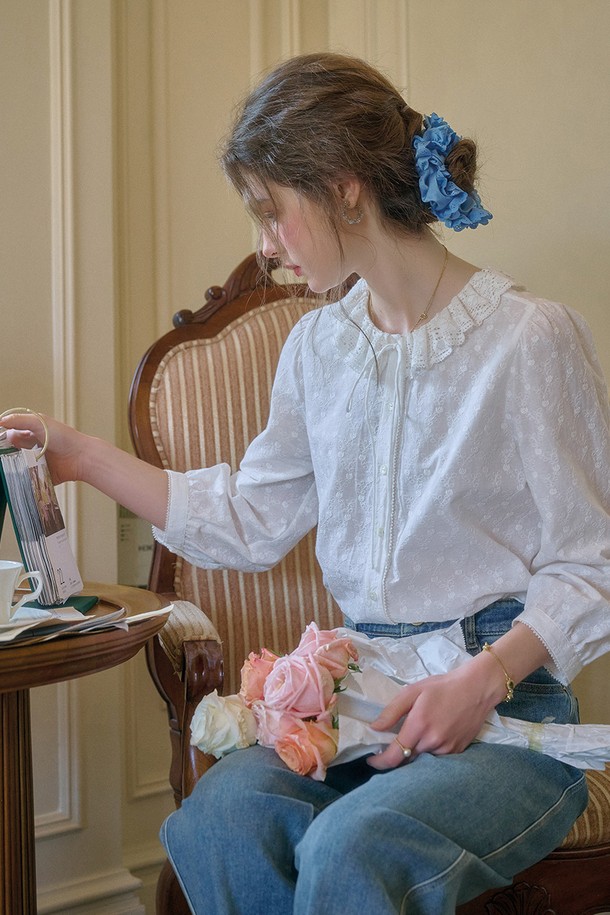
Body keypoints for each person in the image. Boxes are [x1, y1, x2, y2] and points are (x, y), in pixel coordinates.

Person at [2, 52, 609, 914]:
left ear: (344, 190)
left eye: (270, 211)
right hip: (356, 706)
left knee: (352, 847)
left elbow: (593, 563)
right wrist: (81, 455)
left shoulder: (531, 338)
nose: (265, 244)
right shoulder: (318, 350)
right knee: (223, 817)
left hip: (509, 712)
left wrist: (482, 680)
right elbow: (251, 518)